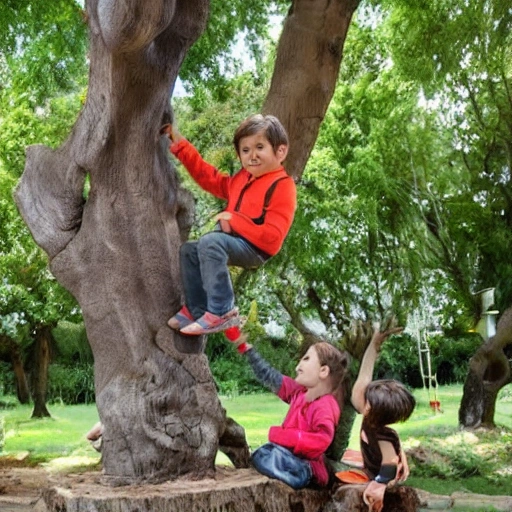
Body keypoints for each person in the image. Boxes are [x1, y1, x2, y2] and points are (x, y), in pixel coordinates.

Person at [161, 114, 297, 336]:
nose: (252, 155)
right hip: (232, 239)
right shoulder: (243, 178)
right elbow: (211, 179)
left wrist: (234, 221)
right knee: (189, 251)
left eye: (260, 147)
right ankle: (196, 310)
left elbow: (273, 239)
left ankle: (222, 311)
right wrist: (180, 144)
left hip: (256, 248)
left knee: (211, 242)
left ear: (280, 151)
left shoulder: (283, 186)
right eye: (245, 150)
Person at [230, 331, 350, 490]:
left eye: (306, 359)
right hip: (286, 455)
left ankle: (288, 473)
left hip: (305, 465)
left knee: (273, 456)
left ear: (323, 371)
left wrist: (284, 436)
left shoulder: (325, 405)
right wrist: (247, 350)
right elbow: (269, 376)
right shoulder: (298, 392)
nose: (298, 366)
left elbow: (322, 440)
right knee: (266, 452)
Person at [345, 324, 416, 512]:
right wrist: (374, 343)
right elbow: (365, 375)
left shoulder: (383, 436)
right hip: (370, 469)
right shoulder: (370, 416)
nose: (363, 402)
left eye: (368, 401)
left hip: (383, 478)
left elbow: (390, 463)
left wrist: (379, 483)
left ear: (379, 411)